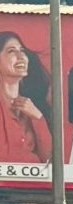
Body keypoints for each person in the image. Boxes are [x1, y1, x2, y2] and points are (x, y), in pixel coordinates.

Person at [0, 27, 55, 164]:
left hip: (33, 185)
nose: (21, 57)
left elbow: (49, 160)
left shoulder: (32, 108)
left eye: (22, 51)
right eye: (11, 51)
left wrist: (38, 117)